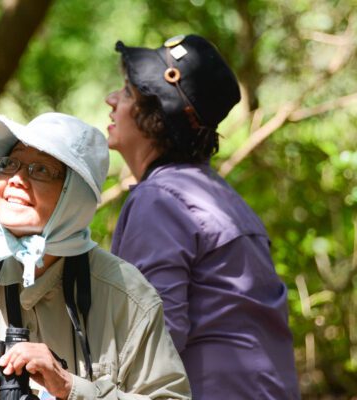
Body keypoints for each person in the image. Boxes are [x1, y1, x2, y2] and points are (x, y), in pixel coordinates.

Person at [0, 112, 190, 399]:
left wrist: (71, 388)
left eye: (41, 169)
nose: (16, 179)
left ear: (76, 195)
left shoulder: (124, 294)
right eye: (10, 164)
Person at [105, 34, 300, 399]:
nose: (111, 99)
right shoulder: (218, 194)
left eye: (128, 93)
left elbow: (154, 342)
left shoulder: (159, 200)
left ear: (156, 118)